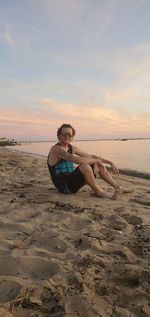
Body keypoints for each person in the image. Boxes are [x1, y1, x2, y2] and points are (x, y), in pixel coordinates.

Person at [47, 123, 133, 200]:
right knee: (85, 165)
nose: (67, 136)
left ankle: (118, 188)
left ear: (72, 136)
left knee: (97, 165)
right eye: (64, 134)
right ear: (59, 135)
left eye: (70, 134)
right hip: (64, 187)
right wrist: (97, 160)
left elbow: (90, 156)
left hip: (72, 182)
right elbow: (79, 160)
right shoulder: (56, 149)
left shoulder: (71, 148)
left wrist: (110, 162)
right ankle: (99, 192)